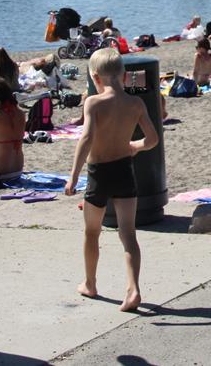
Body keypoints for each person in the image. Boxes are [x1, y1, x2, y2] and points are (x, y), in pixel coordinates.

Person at [64, 49, 159, 311]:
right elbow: (152, 140)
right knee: (128, 234)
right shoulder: (136, 104)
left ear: (95, 77)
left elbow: (86, 140)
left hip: (99, 174)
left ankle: (90, 283)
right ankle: (133, 289)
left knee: (92, 232)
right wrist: (135, 146)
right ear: (125, 76)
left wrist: (73, 177)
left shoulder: (93, 103)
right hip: (125, 171)